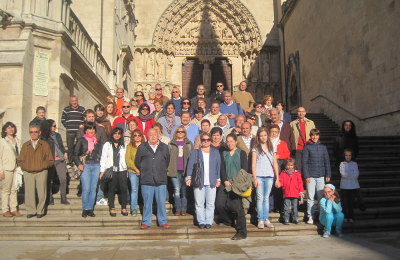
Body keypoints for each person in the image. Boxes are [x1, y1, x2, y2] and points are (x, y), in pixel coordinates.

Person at [135, 128, 170, 229]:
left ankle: (163, 221)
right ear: (147, 136)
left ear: (159, 135)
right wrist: (145, 169)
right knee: (147, 203)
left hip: (161, 179)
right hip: (147, 179)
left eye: (155, 134)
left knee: (161, 203)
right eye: (151, 135)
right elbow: (137, 161)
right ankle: (146, 221)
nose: (153, 136)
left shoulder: (164, 147)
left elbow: (167, 160)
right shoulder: (142, 147)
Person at [216, 133, 248, 240]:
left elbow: (244, 169)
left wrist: (236, 182)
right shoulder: (224, 153)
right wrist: (225, 180)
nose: (229, 143)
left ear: (236, 142)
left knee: (238, 208)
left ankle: (242, 232)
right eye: (227, 141)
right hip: (226, 183)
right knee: (219, 204)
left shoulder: (241, 153)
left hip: (237, 183)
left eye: (231, 141)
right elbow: (222, 168)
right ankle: (228, 220)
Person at [186, 132, 221, 228]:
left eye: (208, 140)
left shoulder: (215, 152)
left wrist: (218, 179)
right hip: (199, 181)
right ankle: (201, 221)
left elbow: (218, 167)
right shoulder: (195, 152)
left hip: (212, 181)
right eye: (203, 140)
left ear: (210, 141)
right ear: (201, 141)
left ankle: (208, 221)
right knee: (199, 203)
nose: (206, 141)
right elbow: (190, 166)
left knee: (210, 203)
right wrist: (188, 177)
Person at [18, 125, 54, 218]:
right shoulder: (25, 145)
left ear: (39, 133)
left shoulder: (44, 144)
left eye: (35, 132)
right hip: (28, 172)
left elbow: (50, 160)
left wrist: (42, 166)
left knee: (42, 192)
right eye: (31, 132)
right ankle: (31, 210)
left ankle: (40, 211)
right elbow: (20, 160)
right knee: (29, 192)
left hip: (41, 171)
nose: (33, 134)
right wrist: (26, 167)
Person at [251, 127, 280, 229]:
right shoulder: (256, 147)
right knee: (260, 198)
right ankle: (260, 219)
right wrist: (254, 178)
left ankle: (266, 218)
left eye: (265, 135)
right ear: (258, 137)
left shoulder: (272, 147)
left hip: (269, 176)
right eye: (261, 135)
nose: (263, 137)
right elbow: (253, 164)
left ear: (267, 136)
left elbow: (275, 163)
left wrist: (278, 178)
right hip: (259, 175)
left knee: (266, 198)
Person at [302, 128, 331, 224]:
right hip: (310, 176)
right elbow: (304, 162)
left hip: (321, 176)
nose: (315, 137)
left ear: (319, 136)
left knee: (320, 197)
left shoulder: (323, 147)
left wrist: (328, 174)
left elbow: (326, 161)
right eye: (313, 135)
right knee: (310, 197)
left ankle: (321, 215)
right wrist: (306, 175)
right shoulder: (307, 147)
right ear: (310, 136)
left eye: (316, 135)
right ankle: (310, 216)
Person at [74, 123, 102, 217]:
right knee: (86, 189)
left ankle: (90, 208)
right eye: (89, 129)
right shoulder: (81, 140)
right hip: (85, 166)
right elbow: (75, 154)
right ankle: (85, 208)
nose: (91, 131)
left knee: (93, 189)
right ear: (85, 130)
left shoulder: (98, 141)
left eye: (93, 129)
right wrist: (78, 164)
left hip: (96, 165)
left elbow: (101, 154)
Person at [100, 128, 129, 217]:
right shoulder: (107, 144)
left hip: (122, 169)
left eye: (119, 133)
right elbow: (103, 158)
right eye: (115, 133)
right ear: (112, 134)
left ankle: (123, 207)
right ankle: (112, 207)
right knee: (111, 189)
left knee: (124, 189)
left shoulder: (124, 145)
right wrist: (102, 171)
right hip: (111, 169)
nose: (117, 135)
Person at [42, 120, 69, 205]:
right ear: (49, 126)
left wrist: (65, 152)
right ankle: (50, 197)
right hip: (50, 160)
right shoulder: (44, 137)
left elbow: (61, 145)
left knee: (63, 178)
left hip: (60, 159)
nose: (55, 127)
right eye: (53, 126)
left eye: (55, 125)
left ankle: (63, 197)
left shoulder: (58, 135)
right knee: (49, 179)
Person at [168, 126, 193, 216]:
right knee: (177, 190)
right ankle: (178, 208)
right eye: (178, 131)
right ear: (176, 133)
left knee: (184, 191)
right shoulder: (171, 143)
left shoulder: (189, 143)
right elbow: (167, 157)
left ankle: (184, 208)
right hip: (174, 170)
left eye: (182, 132)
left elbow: (192, 157)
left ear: (185, 133)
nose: (180, 133)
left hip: (185, 170)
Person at [0, 122, 22, 217]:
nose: (11, 129)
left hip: (16, 168)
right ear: (5, 130)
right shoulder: (2, 141)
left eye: (12, 127)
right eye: (8, 128)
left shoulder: (17, 140)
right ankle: (5, 209)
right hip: (6, 168)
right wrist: (1, 170)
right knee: (6, 190)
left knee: (14, 189)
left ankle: (13, 208)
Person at [277, 159, 304, 225]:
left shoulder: (297, 173)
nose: (290, 167)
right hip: (287, 192)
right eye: (288, 165)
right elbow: (281, 181)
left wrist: (301, 191)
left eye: (291, 165)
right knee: (286, 207)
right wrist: (279, 184)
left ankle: (295, 218)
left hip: (295, 192)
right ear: (286, 166)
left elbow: (300, 183)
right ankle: (286, 218)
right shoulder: (283, 173)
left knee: (295, 206)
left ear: (294, 166)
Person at [125, 129, 145, 216]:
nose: (137, 137)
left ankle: (145, 208)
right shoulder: (130, 146)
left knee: (145, 190)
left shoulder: (145, 146)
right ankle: (133, 209)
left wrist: (142, 169)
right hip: (132, 171)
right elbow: (128, 159)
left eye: (139, 135)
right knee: (134, 189)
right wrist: (136, 169)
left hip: (144, 171)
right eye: (135, 135)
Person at [290, 107, 316, 171]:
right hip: (298, 148)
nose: (301, 113)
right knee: (298, 167)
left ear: (305, 112)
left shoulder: (311, 123)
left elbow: (315, 134)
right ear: (297, 113)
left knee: (307, 166)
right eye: (299, 111)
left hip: (308, 147)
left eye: (302, 111)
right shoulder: (292, 123)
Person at [61, 96, 85, 163]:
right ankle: (70, 162)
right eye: (73, 101)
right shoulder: (66, 109)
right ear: (70, 102)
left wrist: (82, 125)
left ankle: (78, 162)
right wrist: (68, 126)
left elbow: (85, 119)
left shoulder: (82, 109)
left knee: (79, 147)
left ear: (77, 101)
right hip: (70, 132)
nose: (74, 102)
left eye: (75, 100)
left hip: (79, 132)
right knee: (70, 148)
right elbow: (63, 120)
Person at [339, 149, 360, 223]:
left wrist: (350, 175)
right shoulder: (342, 164)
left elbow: (356, 174)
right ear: (344, 156)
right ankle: (344, 216)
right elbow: (343, 174)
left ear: (352, 156)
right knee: (344, 203)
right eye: (346, 155)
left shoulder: (354, 164)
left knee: (351, 202)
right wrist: (351, 174)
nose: (348, 157)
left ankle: (351, 216)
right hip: (344, 186)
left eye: (349, 155)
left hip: (352, 186)